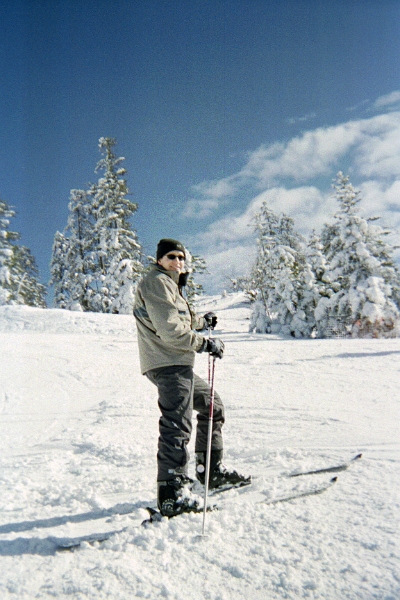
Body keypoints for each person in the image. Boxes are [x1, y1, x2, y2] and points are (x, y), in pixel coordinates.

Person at [133, 238, 250, 517]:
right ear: (159, 260)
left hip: (177, 363)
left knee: (212, 404)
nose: (177, 262)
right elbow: (171, 330)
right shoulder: (157, 282)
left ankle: (210, 471)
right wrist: (204, 343)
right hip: (167, 362)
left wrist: (202, 322)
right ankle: (171, 495)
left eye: (181, 257)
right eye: (171, 257)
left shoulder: (170, 285)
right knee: (177, 423)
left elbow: (179, 319)